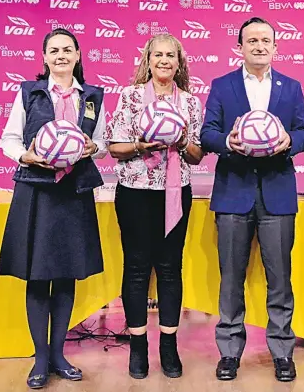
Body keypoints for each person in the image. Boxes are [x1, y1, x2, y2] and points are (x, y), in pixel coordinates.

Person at [200, 17, 304, 382]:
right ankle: (229, 352)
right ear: (240, 47)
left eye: (266, 40)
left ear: (276, 47)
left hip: (278, 195)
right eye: (252, 40)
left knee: (280, 279)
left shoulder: (291, 88)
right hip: (233, 193)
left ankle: (282, 352)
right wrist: (227, 143)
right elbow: (207, 133)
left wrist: (289, 143)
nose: (260, 46)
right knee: (230, 279)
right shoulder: (222, 85)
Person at [0, 28, 107, 389]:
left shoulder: (92, 96)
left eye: (67, 50)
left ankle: (59, 354)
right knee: (38, 274)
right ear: (44, 58)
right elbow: (9, 139)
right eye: (54, 51)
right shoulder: (29, 93)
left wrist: (94, 148)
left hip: (74, 193)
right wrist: (26, 156)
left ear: (77, 55)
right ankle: (40, 359)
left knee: (65, 275)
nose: (61, 56)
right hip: (37, 193)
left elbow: (102, 142)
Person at [104, 33, 204, 379]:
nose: (164, 60)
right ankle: (137, 348)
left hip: (175, 192)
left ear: (179, 63)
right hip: (135, 191)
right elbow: (114, 147)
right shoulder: (130, 97)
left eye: (170, 56)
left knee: (169, 268)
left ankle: (169, 347)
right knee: (135, 268)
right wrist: (141, 146)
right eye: (158, 55)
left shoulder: (190, 103)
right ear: (148, 59)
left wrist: (181, 141)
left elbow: (196, 154)